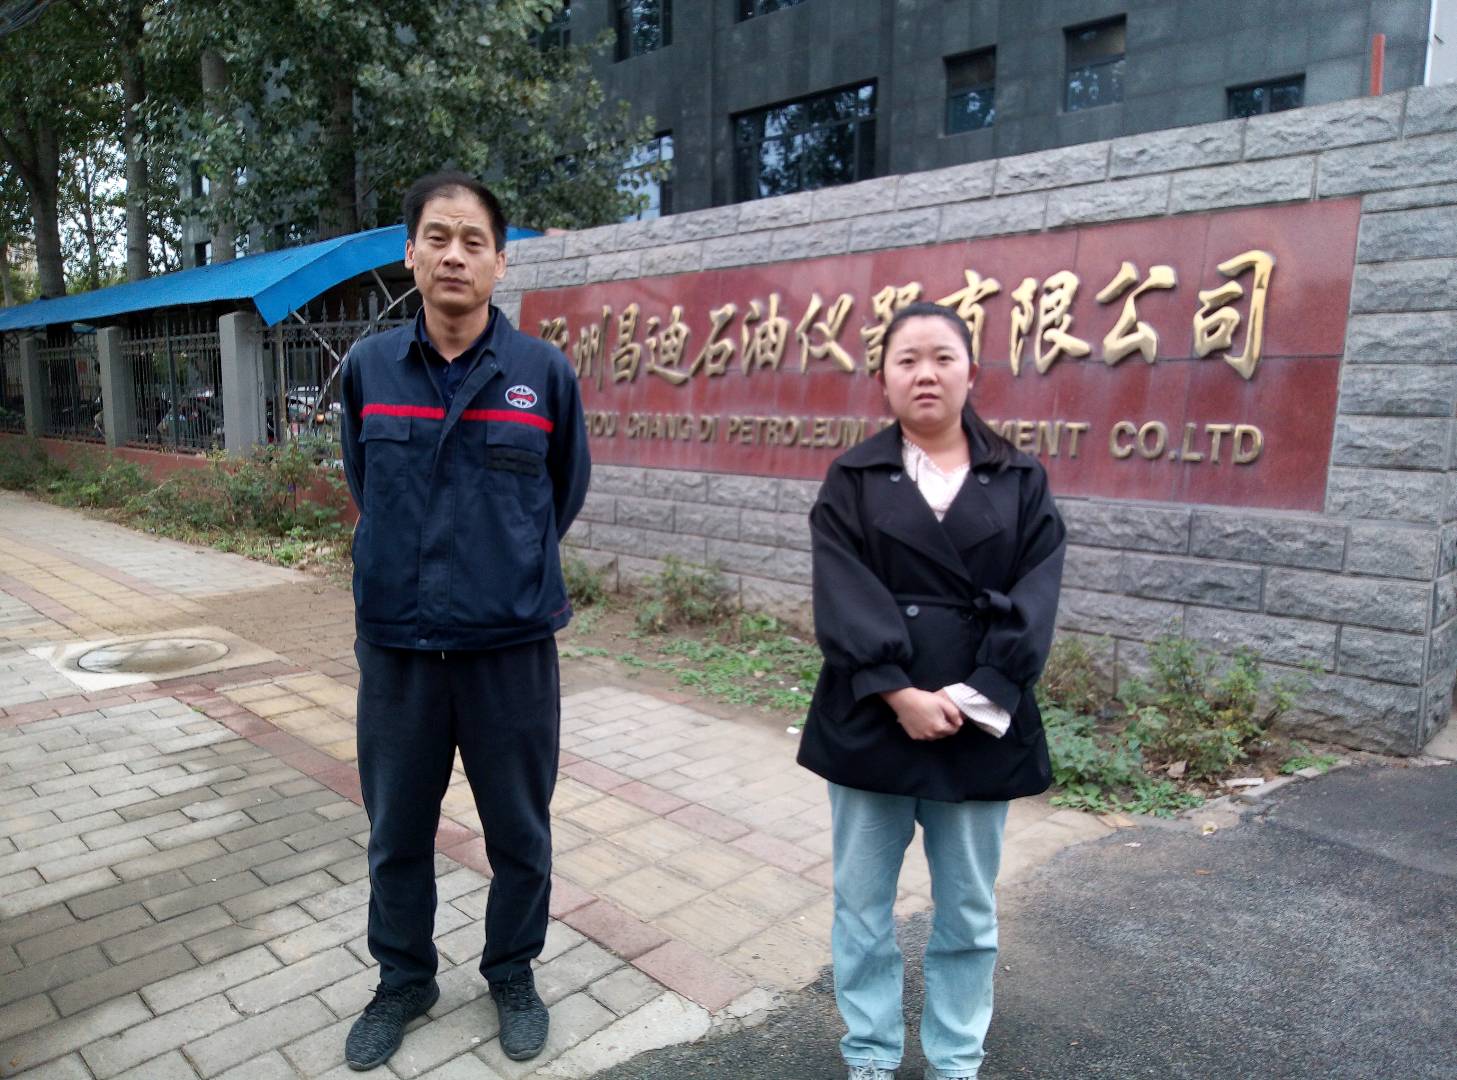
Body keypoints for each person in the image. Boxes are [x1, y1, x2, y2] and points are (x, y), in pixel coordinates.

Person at [338, 171, 590, 1071]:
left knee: (519, 832)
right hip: (399, 648)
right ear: (410, 252)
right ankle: (404, 979)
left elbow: (562, 496)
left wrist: (502, 574)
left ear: (500, 261)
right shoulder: (370, 369)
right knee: (395, 833)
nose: (454, 255)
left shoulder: (542, 374)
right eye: (437, 238)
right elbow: (363, 483)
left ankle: (511, 972)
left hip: (508, 651)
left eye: (473, 240)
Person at [797, 301, 1066, 1080]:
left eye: (942, 357)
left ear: (970, 373)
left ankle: (954, 1059)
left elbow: (1037, 591)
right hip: (873, 715)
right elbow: (841, 591)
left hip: (978, 721)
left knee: (969, 912)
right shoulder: (852, 478)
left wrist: (979, 691)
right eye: (907, 359)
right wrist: (897, 691)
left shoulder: (1019, 479)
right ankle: (870, 1053)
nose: (925, 373)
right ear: (882, 378)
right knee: (861, 908)